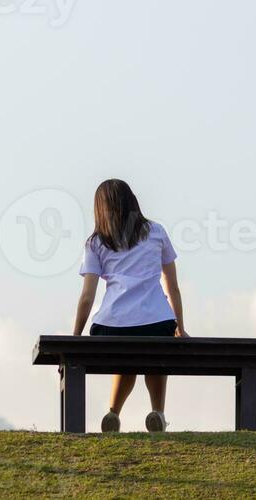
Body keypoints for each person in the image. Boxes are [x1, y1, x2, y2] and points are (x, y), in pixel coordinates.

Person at [73, 179, 187, 432]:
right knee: (155, 354)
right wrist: (180, 326)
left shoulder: (95, 243)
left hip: (110, 327)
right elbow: (173, 286)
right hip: (156, 322)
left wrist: (75, 338)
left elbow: (87, 297)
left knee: (126, 351)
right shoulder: (156, 232)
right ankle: (158, 412)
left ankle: (114, 412)